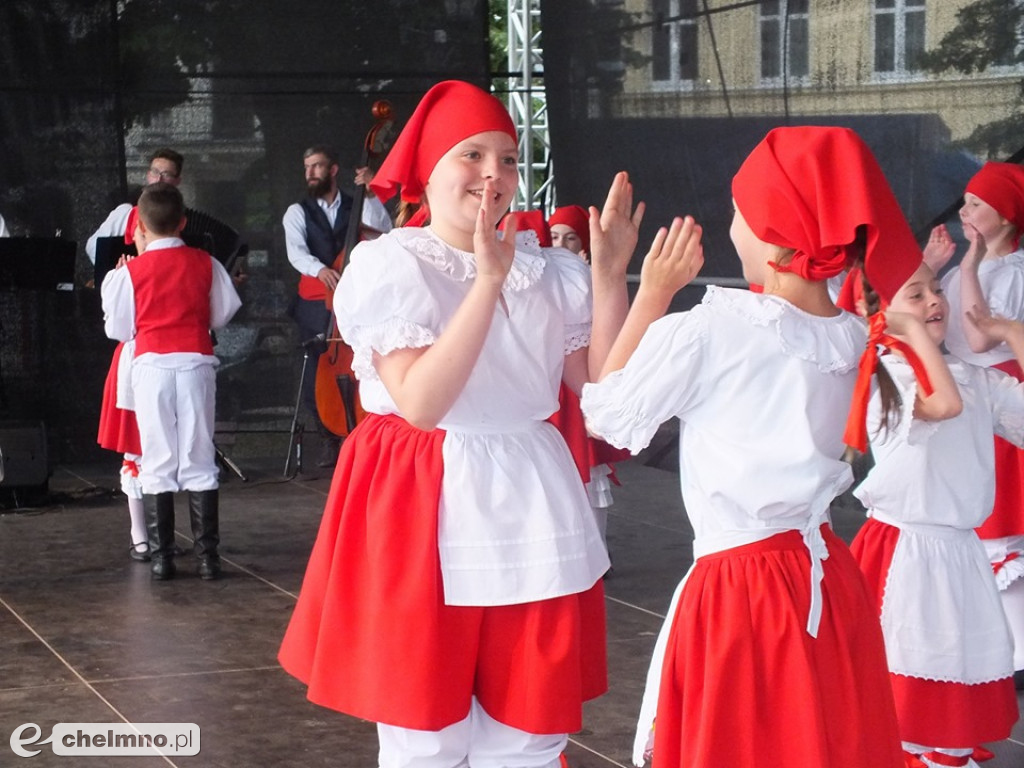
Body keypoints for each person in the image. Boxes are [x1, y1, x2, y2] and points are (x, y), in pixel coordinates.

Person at [278, 80, 639, 768]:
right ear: (428, 172)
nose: (495, 174)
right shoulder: (392, 265)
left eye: (508, 157)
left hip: (529, 487)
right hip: (423, 491)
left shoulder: (552, 270)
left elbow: (596, 389)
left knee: (530, 728)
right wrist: (487, 283)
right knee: (425, 730)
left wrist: (614, 278)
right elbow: (421, 402)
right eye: (472, 155)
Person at [581, 126, 918, 768]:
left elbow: (609, 417)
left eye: (739, 211)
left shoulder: (718, 325)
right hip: (825, 575)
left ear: (773, 225)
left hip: (744, 590)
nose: (731, 225)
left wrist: (643, 291)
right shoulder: (851, 335)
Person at [849, 259, 1020, 768]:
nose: (934, 302)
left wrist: (1011, 330)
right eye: (916, 294)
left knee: (951, 707)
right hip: (907, 555)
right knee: (905, 709)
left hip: (960, 553)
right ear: (880, 313)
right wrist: (896, 333)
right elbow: (940, 405)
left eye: (936, 290)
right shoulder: (887, 377)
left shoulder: (972, 378)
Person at [101, 182, 241, 581]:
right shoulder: (206, 262)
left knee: (158, 458)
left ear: (140, 225)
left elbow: (120, 329)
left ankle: (162, 559)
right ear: (183, 222)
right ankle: (207, 559)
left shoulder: (130, 273)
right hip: (196, 361)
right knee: (199, 456)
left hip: (152, 367)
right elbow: (221, 314)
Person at [933, 161, 1024, 688]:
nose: (964, 212)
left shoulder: (1011, 272)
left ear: (1006, 217)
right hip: (965, 394)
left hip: (997, 399)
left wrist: (968, 267)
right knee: (979, 525)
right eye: (965, 201)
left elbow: (983, 336)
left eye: (976, 205)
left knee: (1001, 527)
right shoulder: (971, 266)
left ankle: (1014, 655)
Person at [281, 145, 393, 468]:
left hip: (356, 300)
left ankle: (357, 432)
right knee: (318, 369)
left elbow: (382, 231)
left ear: (332, 170)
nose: (310, 173)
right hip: (316, 303)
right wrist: (320, 269)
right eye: (307, 167)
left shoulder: (354, 203)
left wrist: (370, 195)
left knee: (359, 365)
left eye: (317, 166)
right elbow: (296, 252)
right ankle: (329, 437)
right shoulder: (296, 211)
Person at [86, 148, 183, 264]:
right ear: (148, 175)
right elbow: (92, 246)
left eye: (166, 174)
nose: (159, 179)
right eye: (155, 172)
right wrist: (114, 272)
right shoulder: (127, 211)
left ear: (177, 181)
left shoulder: (182, 215)